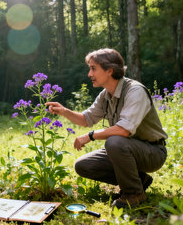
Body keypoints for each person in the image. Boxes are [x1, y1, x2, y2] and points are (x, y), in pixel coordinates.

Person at [46, 48, 167, 208]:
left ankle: (134, 194)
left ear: (110, 70)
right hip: (125, 148)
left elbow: (123, 130)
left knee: (114, 142)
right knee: (83, 165)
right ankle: (139, 181)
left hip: (152, 152)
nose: (89, 74)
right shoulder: (106, 95)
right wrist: (64, 111)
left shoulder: (135, 91)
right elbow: (86, 119)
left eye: (93, 68)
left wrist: (90, 136)